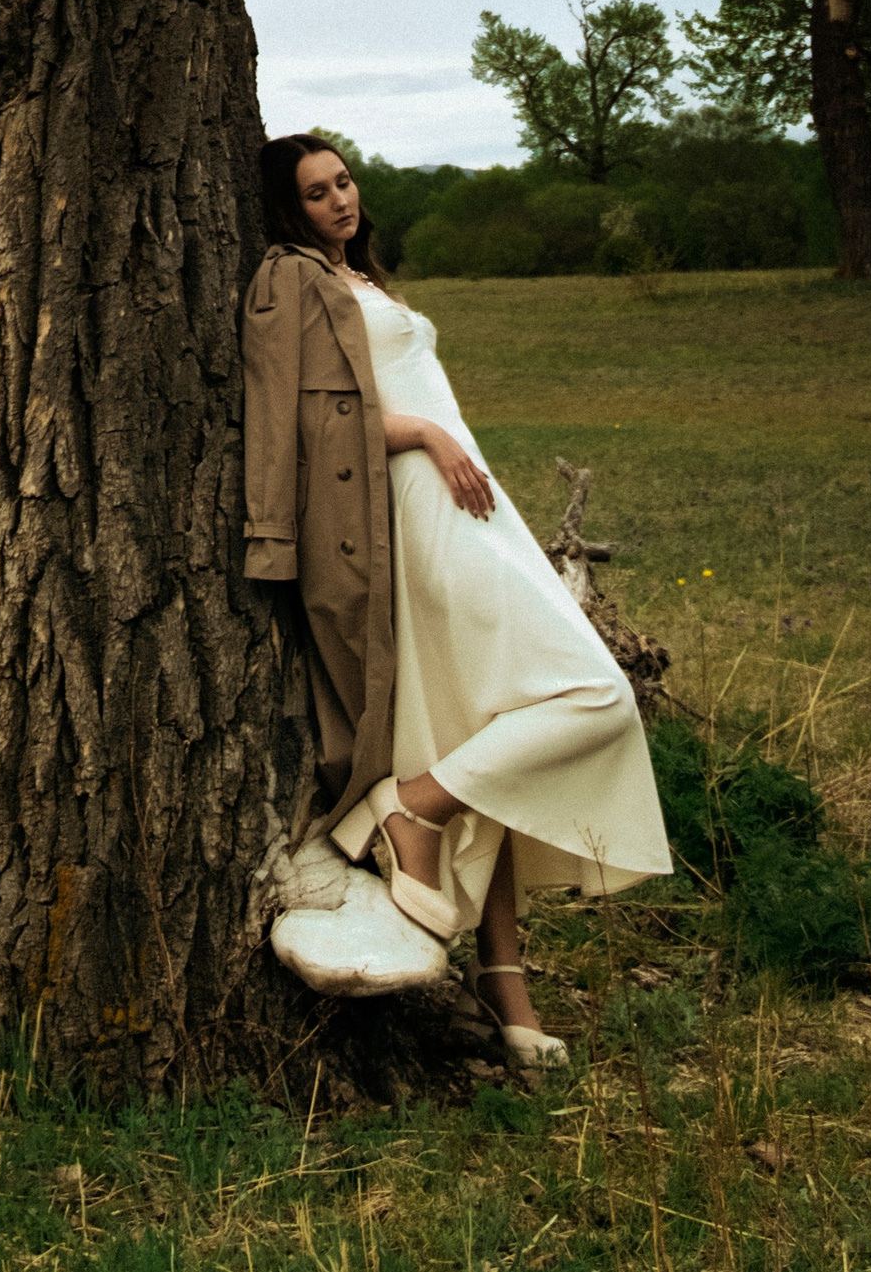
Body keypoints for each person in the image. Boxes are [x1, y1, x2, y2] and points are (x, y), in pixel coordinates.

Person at [242, 131, 670, 1067]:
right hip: (408, 504)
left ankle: (504, 985)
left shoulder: (363, 277)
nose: (341, 201)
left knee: (492, 721)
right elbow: (306, 416)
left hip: (464, 501)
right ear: (288, 209)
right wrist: (431, 436)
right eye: (317, 193)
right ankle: (412, 807)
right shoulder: (290, 278)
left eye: (345, 181)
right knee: (596, 693)